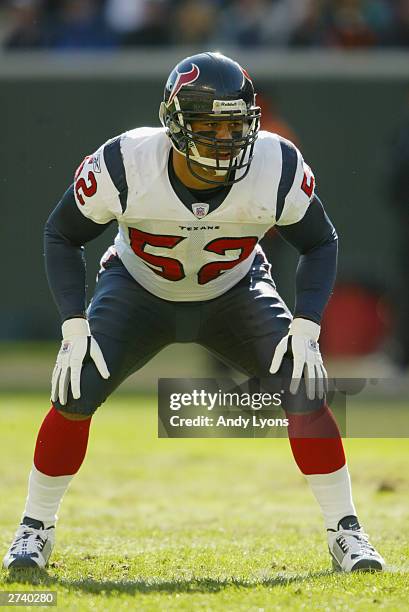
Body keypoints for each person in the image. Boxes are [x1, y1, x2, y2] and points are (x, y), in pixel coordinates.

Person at [3, 52, 385, 572]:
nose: (225, 139)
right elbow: (62, 231)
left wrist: (307, 322)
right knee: (75, 389)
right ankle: (34, 527)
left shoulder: (275, 164)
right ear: (175, 121)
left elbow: (321, 241)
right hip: (138, 288)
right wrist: (73, 322)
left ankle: (347, 533)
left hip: (234, 290)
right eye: (208, 124)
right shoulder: (127, 162)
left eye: (235, 125)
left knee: (305, 387)